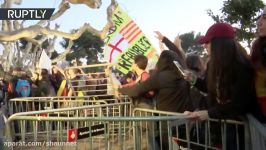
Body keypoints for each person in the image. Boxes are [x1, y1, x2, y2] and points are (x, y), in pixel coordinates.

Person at [183, 22, 265, 149]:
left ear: (220, 44)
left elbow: (240, 104)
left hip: (244, 127)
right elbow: (209, 87)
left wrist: (208, 113)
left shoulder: (242, 67)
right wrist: (194, 80)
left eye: (208, 42)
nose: (204, 45)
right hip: (224, 124)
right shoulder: (212, 65)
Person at [119, 50, 192, 150]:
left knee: (167, 145)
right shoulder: (183, 76)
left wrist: (121, 89)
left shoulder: (160, 77)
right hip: (184, 119)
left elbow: (137, 90)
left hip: (167, 121)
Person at [251, 6, 266, 118]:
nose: (258, 22)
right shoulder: (258, 46)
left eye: (265, 18)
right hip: (259, 112)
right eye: (259, 18)